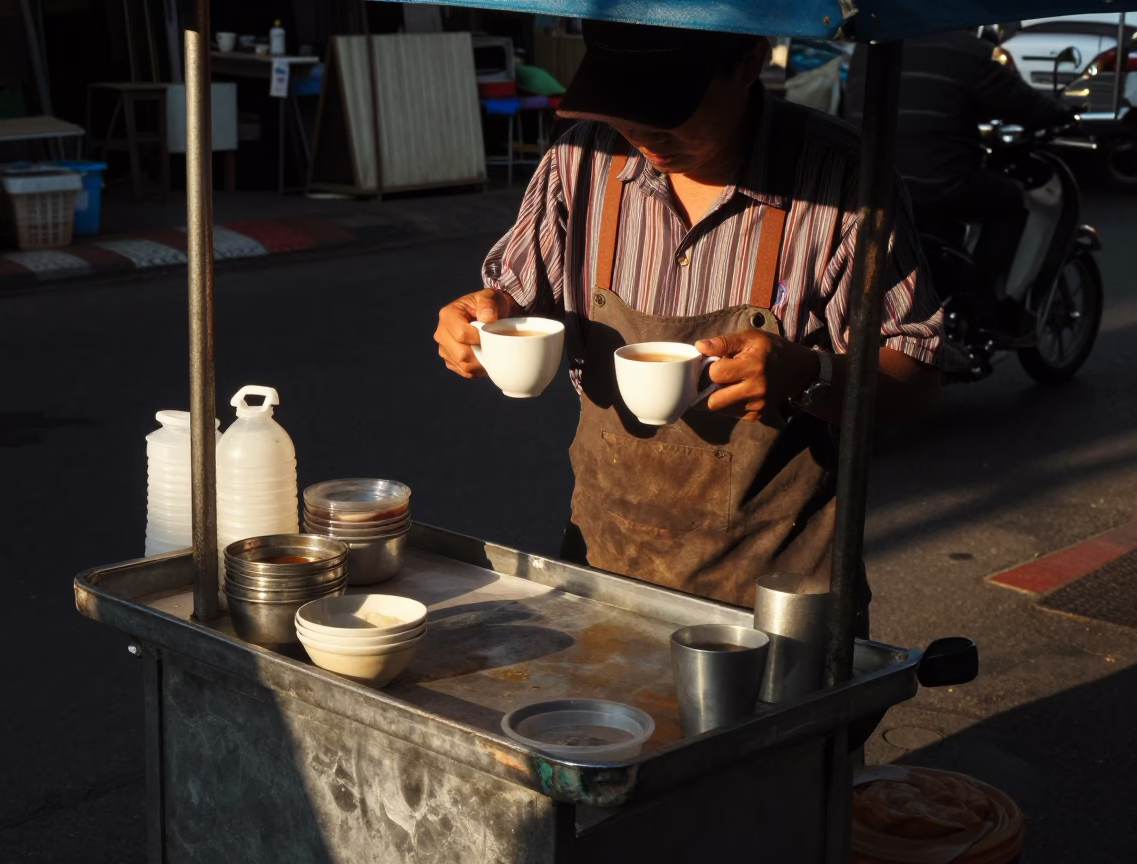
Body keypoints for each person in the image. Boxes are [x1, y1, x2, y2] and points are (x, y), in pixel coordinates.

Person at [434, 20, 945, 629]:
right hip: (606, 576)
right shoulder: (581, 159)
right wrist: (476, 321)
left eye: (669, 111)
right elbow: (511, 302)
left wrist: (809, 375)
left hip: (775, 605)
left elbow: (915, 382)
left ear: (750, 61)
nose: (645, 138)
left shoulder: (843, 179)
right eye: (625, 112)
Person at [844, 30, 1071, 329]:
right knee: (1011, 203)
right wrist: (1061, 113)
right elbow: (1021, 102)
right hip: (937, 183)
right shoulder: (967, 50)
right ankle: (984, 301)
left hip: (870, 182)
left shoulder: (870, 47)